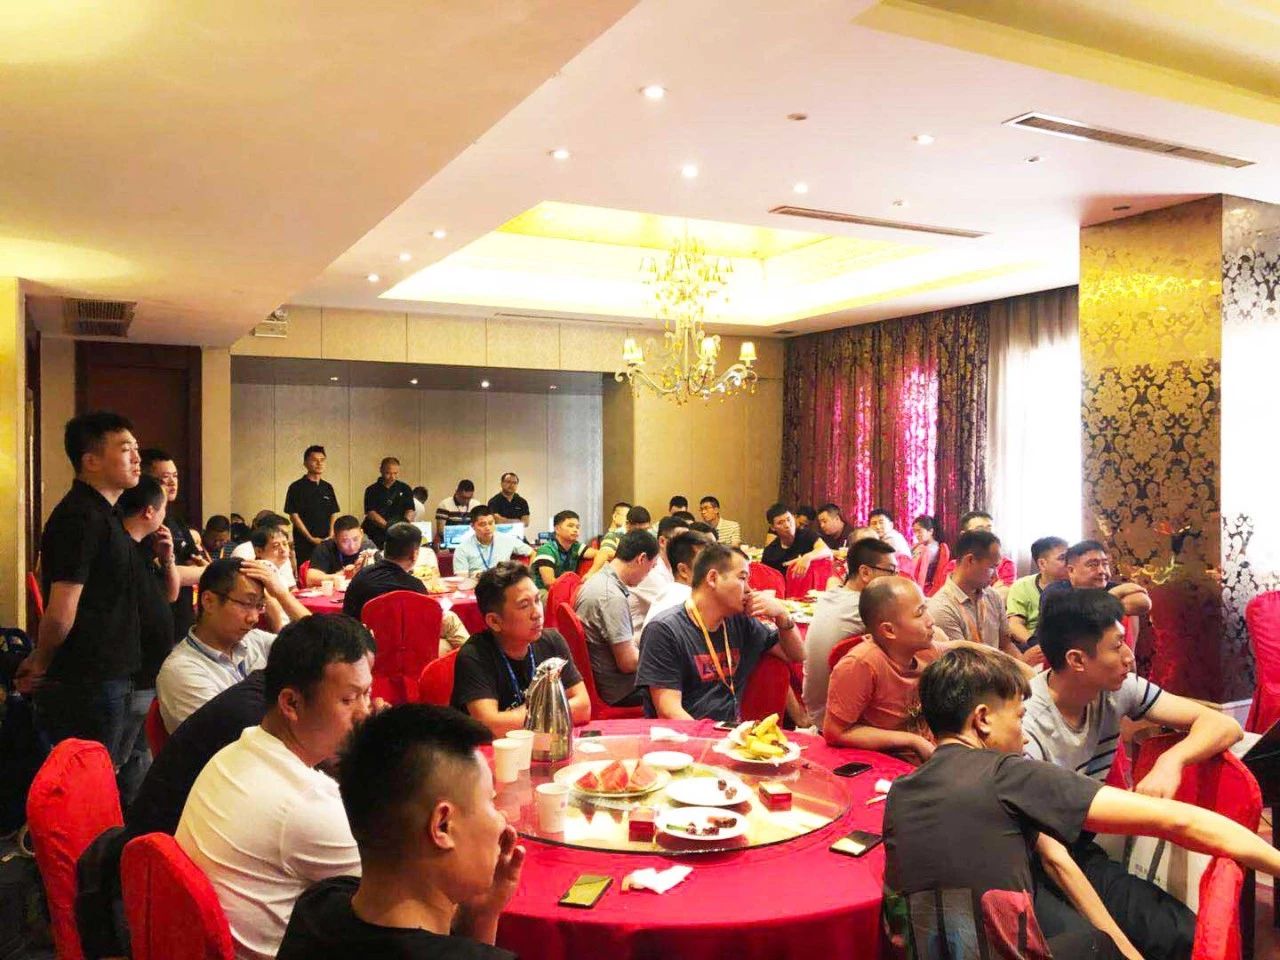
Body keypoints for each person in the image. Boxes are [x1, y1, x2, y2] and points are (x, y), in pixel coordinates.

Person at [883, 646, 1280, 960]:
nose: (1024, 736)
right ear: (983, 719)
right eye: (1018, 718)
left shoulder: (901, 792)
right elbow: (1179, 821)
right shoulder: (1009, 774)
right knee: (1101, 944)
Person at [1025, 588, 1243, 959]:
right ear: (1077, 660)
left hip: (1078, 846)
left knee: (1180, 934)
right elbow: (1051, 857)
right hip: (1029, 863)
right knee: (1093, 947)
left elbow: (1223, 725)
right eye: (1117, 646)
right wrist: (1124, 948)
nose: (1129, 656)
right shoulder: (1027, 725)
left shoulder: (1117, 688)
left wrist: (1171, 761)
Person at [176, 615, 374, 960]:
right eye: (349, 699)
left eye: (367, 694)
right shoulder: (304, 803)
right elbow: (403, 898)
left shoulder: (235, 752)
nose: (364, 712)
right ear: (291, 704)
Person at [278, 705, 523, 959]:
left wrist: (480, 916)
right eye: (491, 801)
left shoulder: (317, 908)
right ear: (442, 826)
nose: (502, 820)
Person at [18, 412, 142, 766]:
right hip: (90, 680)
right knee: (88, 781)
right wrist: (41, 660)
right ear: (91, 461)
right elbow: (61, 608)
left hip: (114, 673)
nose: (137, 457)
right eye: (125, 449)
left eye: (136, 448)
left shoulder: (108, 513)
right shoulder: (79, 516)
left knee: (112, 776)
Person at [636, 543, 804, 722]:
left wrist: (782, 616)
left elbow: (796, 655)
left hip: (730, 730)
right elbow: (669, 711)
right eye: (742, 578)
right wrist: (710, 738)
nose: (749, 589)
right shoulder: (664, 630)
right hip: (684, 735)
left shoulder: (740, 622)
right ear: (712, 578)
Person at [156, 557, 310, 732]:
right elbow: (232, 738)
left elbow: (323, 648)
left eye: (259, 606)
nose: (254, 618)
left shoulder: (254, 640)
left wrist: (283, 595)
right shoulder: (183, 671)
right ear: (209, 601)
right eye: (246, 603)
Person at [451, 562, 590, 737]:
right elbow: (490, 726)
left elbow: (583, 707)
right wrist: (556, 710)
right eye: (524, 605)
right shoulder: (474, 656)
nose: (537, 613)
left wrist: (518, 718)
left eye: (537, 600)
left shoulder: (552, 642)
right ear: (494, 621)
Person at [116, 475, 180, 803]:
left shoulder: (143, 550)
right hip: (131, 675)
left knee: (139, 755)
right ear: (149, 512)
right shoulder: (119, 551)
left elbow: (170, 596)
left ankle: (133, 816)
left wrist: (167, 558)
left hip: (149, 674)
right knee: (119, 759)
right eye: (163, 508)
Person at [802, 537, 898, 728]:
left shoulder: (831, 595)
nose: (895, 579)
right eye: (891, 571)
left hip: (813, 707)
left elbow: (832, 582)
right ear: (865, 572)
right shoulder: (867, 608)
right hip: (838, 719)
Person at [573, 530, 659, 707]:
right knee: (687, 684)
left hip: (605, 680)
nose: (648, 575)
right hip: (621, 691)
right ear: (641, 559)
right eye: (651, 567)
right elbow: (628, 663)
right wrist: (664, 656)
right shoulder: (611, 597)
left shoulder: (598, 580)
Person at [142, 449, 207, 642]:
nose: (172, 482)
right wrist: (207, 571)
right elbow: (165, 573)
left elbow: (194, 560)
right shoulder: (147, 522)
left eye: (175, 476)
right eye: (164, 478)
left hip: (184, 616)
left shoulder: (176, 520)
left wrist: (198, 570)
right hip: (158, 618)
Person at [927, 530, 1021, 658]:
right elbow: (964, 663)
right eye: (992, 567)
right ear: (970, 560)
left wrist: (1024, 663)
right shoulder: (942, 609)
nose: (996, 576)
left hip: (999, 665)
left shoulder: (992, 596)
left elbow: (1006, 645)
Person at [1038, 539, 1152, 627]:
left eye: (1105, 564)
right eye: (1093, 565)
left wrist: (1104, 603)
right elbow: (1073, 619)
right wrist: (1114, 596)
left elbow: (1143, 602)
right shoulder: (1055, 591)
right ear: (1071, 570)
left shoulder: (1109, 587)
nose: (1102, 570)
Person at [626, 514, 691, 637]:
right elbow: (681, 608)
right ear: (662, 541)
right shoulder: (651, 570)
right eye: (680, 541)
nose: (686, 547)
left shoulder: (672, 567)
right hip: (636, 639)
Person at [1006, 535, 1069, 654]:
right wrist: (1036, 645)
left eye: (1070, 557)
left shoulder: (1076, 584)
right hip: (1033, 645)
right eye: (1062, 558)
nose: (1069, 562)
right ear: (1042, 563)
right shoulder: (1022, 586)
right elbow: (1014, 624)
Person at [642, 530, 716, 630]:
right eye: (705, 563)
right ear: (683, 570)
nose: (714, 570)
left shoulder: (672, 591)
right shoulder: (683, 599)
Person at [284, 444, 340, 564]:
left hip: (327, 541)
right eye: (314, 460)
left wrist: (331, 535)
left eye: (322, 460)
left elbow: (333, 512)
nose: (319, 463)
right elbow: (293, 515)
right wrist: (310, 538)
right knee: (306, 571)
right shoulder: (296, 487)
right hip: (304, 542)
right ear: (305, 463)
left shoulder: (327, 487)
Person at [454, 504, 535, 576]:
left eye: (491, 523)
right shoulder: (462, 548)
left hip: (502, 585)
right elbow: (462, 579)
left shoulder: (507, 540)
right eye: (482, 524)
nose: (488, 528)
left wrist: (529, 574)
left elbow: (533, 553)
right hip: (476, 585)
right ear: (472, 526)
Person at [760, 502, 831, 577]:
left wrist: (807, 557)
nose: (787, 525)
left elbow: (826, 550)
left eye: (788, 519)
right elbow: (765, 577)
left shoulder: (806, 535)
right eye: (780, 523)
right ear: (773, 527)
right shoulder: (770, 552)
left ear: (793, 517)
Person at [530, 509, 597, 590]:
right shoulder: (546, 550)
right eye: (570, 526)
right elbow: (550, 583)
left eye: (577, 527)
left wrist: (591, 573)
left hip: (567, 589)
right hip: (542, 591)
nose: (575, 530)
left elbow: (602, 554)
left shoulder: (576, 546)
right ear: (557, 529)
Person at [952, 509, 1017, 587]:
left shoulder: (1006, 564)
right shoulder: (953, 566)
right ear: (964, 535)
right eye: (980, 530)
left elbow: (1003, 592)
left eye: (990, 529)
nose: (987, 534)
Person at [306, 515, 377, 586]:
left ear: (361, 533)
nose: (352, 546)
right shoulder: (325, 548)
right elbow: (310, 579)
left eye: (355, 539)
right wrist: (343, 575)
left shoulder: (368, 547)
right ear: (335, 538)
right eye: (345, 541)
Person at [584, 504, 651, 579]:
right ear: (628, 525)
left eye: (646, 529)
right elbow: (604, 553)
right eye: (639, 530)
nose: (643, 534)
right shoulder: (613, 537)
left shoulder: (649, 540)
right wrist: (591, 573)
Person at [362, 456, 416, 548]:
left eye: (395, 473)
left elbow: (410, 510)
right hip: (376, 532)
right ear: (381, 470)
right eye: (388, 473)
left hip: (398, 532)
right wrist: (389, 527)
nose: (392, 477)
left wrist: (404, 525)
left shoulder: (405, 488)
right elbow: (371, 513)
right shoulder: (371, 490)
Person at [242, 517, 298, 589]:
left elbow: (292, 589)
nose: (283, 549)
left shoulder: (283, 561)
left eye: (285, 544)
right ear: (259, 551)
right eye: (276, 546)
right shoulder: (258, 571)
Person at [910, 514, 941, 584]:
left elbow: (914, 566)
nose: (916, 535)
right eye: (914, 532)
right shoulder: (921, 545)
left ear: (930, 531)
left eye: (919, 531)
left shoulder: (932, 549)